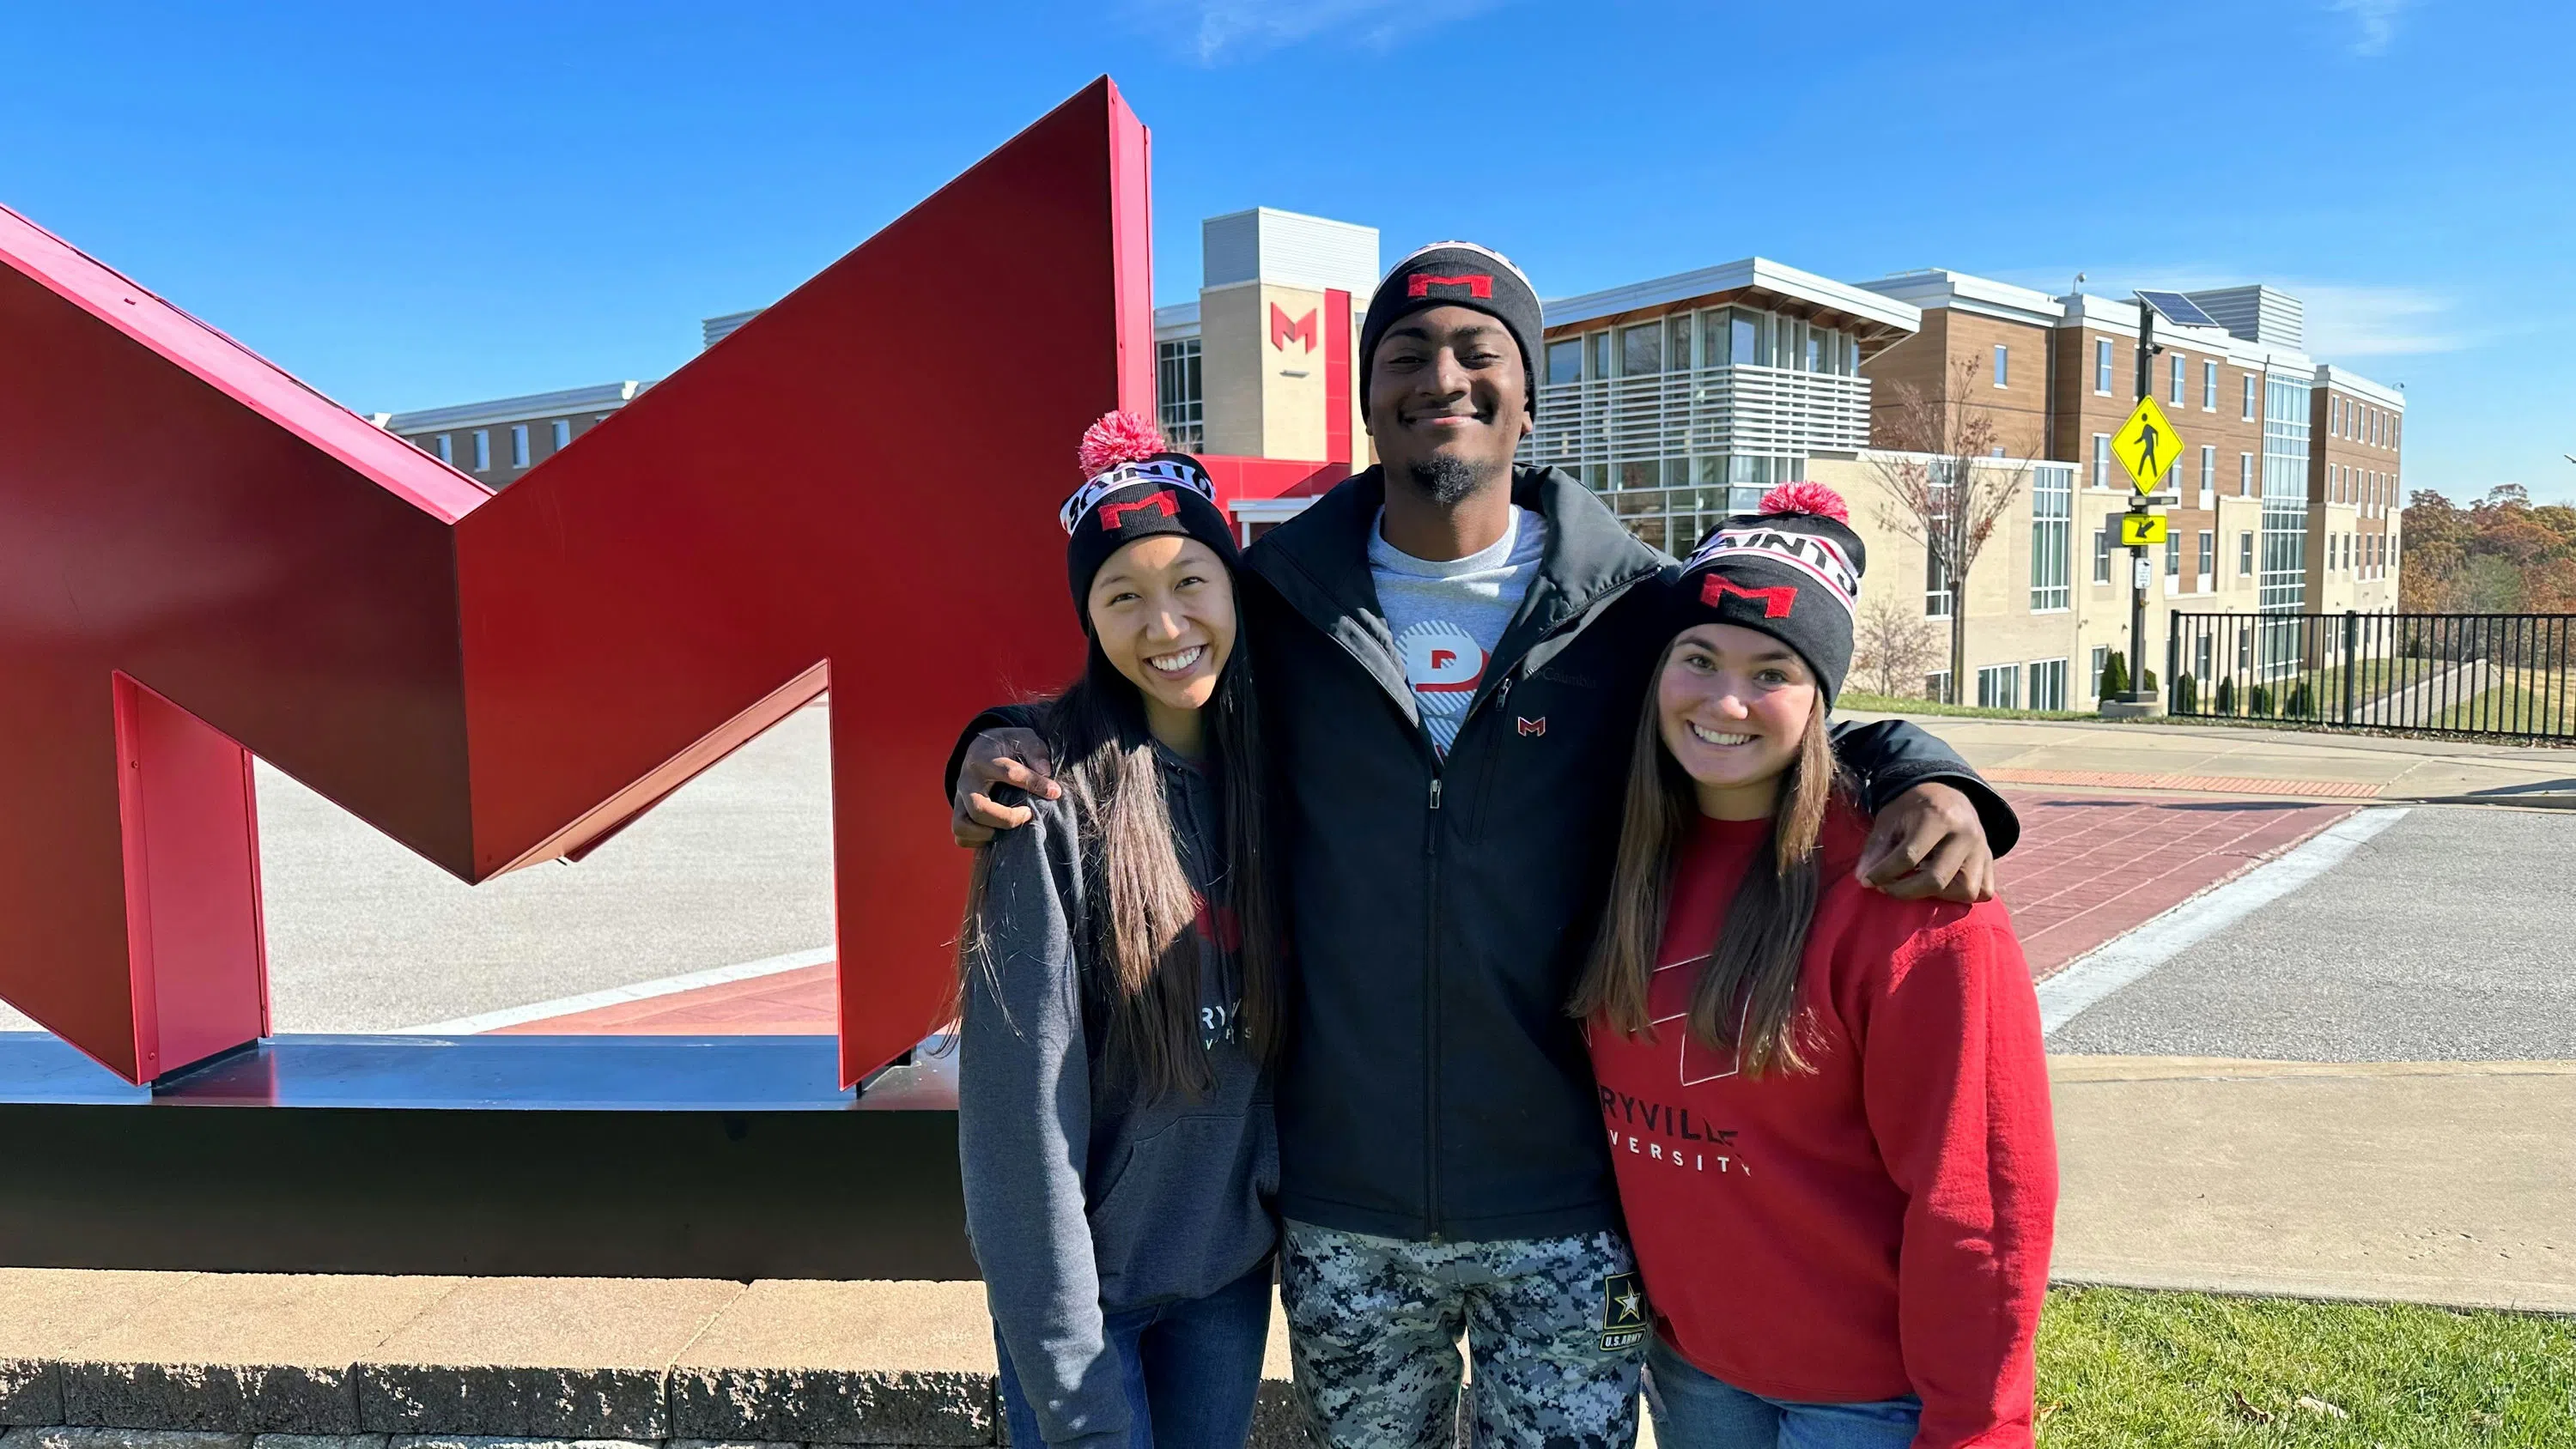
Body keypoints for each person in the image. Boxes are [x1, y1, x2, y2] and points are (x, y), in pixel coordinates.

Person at [947, 243, 2024, 1449]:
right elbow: (1141, 661)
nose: (1440, 377)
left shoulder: (1634, 605)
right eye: (1404, 354)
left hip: (1564, 1208)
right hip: (1343, 1211)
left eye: (1477, 350)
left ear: (1529, 389)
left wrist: (1933, 773)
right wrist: (993, 742)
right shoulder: (1282, 604)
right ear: (1366, 395)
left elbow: (1768, 691)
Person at [1575, 482, 2056, 1449]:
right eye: (1698, 658)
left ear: (1824, 694)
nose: (1725, 700)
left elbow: (1982, 1194)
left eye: (1772, 671)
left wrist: (1980, 1426)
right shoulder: (1611, 853)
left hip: (1867, 1401)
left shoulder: (1910, 887)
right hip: (1694, 1372)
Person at [952, 410, 1284, 1449]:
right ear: (1089, 618)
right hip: (1089, 1306)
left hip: (1226, 1282)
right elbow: (1018, 1119)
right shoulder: (1050, 801)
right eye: (1123, 594)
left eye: (1191, 579)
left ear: (1235, 585)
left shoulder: (1282, 769)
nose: (1166, 621)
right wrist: (1066, 1370)